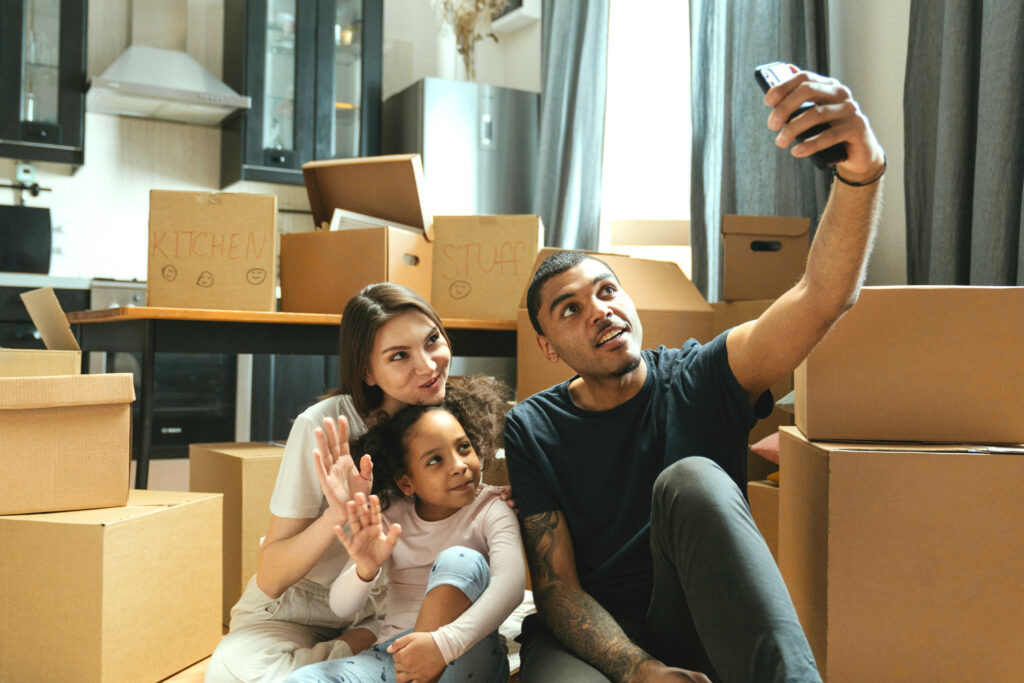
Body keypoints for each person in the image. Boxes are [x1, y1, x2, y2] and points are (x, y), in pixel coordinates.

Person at [504, 67, 885, 682]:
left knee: (692, 478)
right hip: (594, 637)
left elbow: (822, 297)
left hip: (693, 617)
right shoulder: (531, 427)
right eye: (570, 309)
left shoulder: (701, 376)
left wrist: (860, 171)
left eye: (607, 291)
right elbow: (556, 587)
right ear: (548, 347)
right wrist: (638, 669)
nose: (599, 310)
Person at [206, 283, 457, 682]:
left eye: (432, 341)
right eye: (399, 356)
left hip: (394, 606)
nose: (428, 366)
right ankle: (360, 650)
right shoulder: (323, 425)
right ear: (368, 372)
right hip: (298, 611)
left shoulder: (453, 416)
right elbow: (271, 575)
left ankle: (360, 652)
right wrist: (335, 516)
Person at [284, 376, 525, 683]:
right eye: (435, 460)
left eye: (464, 447)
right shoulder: (390, 515)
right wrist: (364, 570)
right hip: (393, 658)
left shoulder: (492, 507)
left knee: (460, 559)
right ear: (406, 483)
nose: (459, 465)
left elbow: (512, 585)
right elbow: (342, 607)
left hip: (465, 653)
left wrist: (441, 645)